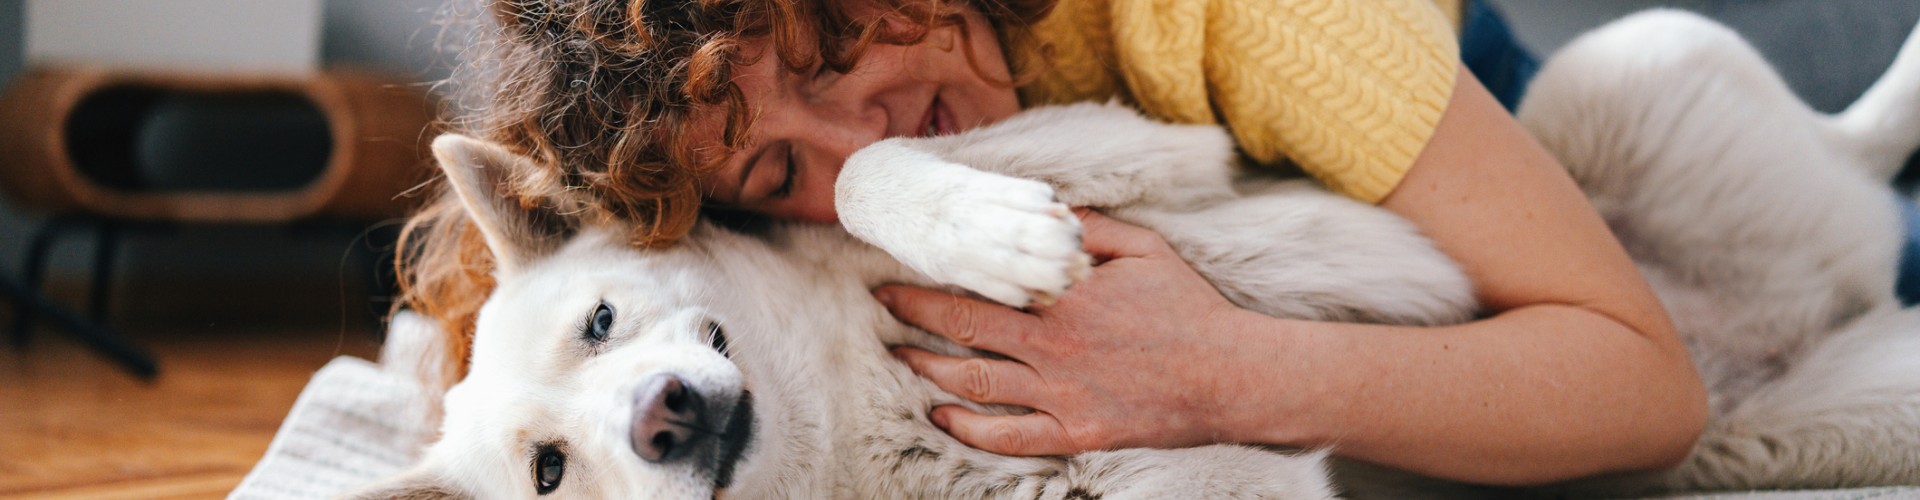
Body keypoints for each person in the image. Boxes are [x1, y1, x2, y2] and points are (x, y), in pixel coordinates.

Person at [400, 0, 1708, 486]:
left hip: (1495, 132)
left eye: (833, 42)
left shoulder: (1256, 20)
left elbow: (1648, 387)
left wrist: (1224, 374)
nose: (864, 141)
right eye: (779, 168)